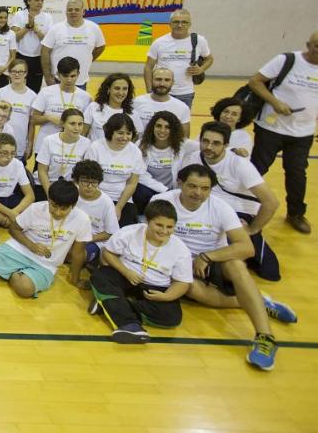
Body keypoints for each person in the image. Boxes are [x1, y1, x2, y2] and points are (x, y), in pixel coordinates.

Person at [150, 165, 297, 371]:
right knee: (189, 288)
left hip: (212, 261)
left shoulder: (221, 207)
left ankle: (265, 338)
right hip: (178, 265)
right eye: (192, 186)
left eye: (205, 188)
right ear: (180, 183)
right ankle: (256, 301)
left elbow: (246, 248)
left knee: (236, 265)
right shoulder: (162, 202)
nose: (198, 193)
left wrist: (207, 256)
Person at [181, 122, 280, 281]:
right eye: (205, 141)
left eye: (216, 143)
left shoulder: (239, 164)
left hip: (239, 211)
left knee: (269, 271)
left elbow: (271, 202)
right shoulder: (193, 158)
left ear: (226, 145)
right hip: (205, 206)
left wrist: (253, 229)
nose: (209, 147)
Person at [89, 200, 192, 343]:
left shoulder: (181, 250)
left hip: (156, 286)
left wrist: (166, 297)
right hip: (125, 275)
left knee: (171, 318)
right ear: (147, 221)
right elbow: (108, 253)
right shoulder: (129, 232)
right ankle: (129, 326)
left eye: (170, 227)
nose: (164, 231)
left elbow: (182, 283)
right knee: (101, 276)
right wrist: (125, 271)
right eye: (159, 225)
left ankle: (109, 304)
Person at [249, 31, 318, 235]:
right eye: (316, 45)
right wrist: (275, 102)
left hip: (303, 133)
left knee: (297, 173)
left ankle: (295, 214)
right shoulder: (287, 60)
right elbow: (255, 81)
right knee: (257, 169)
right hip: (271, 128)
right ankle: (243, 205)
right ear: (308, 44)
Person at [0, 179, 91, 297]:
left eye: (64, 209)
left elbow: (78, 253)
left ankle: (14, 271)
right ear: (49, 200)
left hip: (47, 263)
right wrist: (31, 245)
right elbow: (13, 229)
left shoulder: (82, 219)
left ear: (73, 206)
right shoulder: (35, 209)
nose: (57, 212)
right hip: (21, 249)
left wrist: (75, 279)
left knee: (24, 289)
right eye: (53, 206)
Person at [83, 113, 146, 226]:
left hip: (122, 199)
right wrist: (99, 202)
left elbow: (132, 183)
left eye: (129, 133)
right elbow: (89, 179)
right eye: (120, 133)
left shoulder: (135, 151)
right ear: (110, 132)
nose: (125, 137)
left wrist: (118, 207)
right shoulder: (96, 147)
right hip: (96, 195)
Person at [144, 8, 213, 107]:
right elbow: (148, 67)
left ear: (190, 24)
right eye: (176, 22)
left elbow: (209, 59)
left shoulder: (199, 40)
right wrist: (149, 89)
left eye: (184, 22)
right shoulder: (159, 42)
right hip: (162, 91)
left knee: (181, 122)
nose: (180, 25)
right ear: (170, 24)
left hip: (186, 93)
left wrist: (201, 69)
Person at [29, 56, 91, 159]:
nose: (69, 80)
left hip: (72, 150)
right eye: (65, 76)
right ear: (58, 75)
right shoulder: (46, 92)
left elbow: (85, 127)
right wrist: (48, 117)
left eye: (73, 76)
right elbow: (33, 119)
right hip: (45, 148)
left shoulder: (85, 97)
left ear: (78, 74)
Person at [134, 111, 197, 212]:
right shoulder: (141, 144)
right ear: (152, 127)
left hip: (173, 191)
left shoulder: (183, 144)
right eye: (158, 126)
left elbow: (203, 146)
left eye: (168, 127)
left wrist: (230, 150)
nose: (162, 130)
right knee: (139, 191)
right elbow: (140, 174)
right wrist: (164, 190)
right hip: (151, 190)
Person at [41, 0, 105, 90]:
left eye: (77, 9)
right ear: (66, 12)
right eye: (70, 10)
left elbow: (101, 47)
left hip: (80, 81)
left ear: (83, 12)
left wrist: (89, 59)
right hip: (58, 80)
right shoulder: (56, 28)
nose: (73, 12)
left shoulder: (94, 28)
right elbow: (45, 51)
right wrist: (47, 76)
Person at [70, 159, 120, 265]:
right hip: (70, 235)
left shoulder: (106, 202)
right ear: (77, 180)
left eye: (94, 182)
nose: (89, 186)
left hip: (94, 241)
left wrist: (85, 239)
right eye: (84, 181)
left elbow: (110, 233)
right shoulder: (71, 195)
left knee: (76, 256)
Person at [0, 133, 35, 227]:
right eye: (4, 153)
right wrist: (10, 214)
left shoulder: (18, 164)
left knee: (34, 207)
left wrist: (14, 212)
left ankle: (6, 220)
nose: (9, 157)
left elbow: (30, 196)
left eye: (13, 153)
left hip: (10, 199)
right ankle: (8, 221)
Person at [35, 108, 91, 197]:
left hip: (71, 189)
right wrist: (50, 195)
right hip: (47, 186)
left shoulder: (87, 143)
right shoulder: (49, 140)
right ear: (62, 123)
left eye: (80, 124)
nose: (77, 128)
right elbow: (42, 171)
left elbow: (85, 174)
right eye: (72, 124)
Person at [0, 58, 38, 159]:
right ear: (9, 73)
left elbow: (31, 123)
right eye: (14, 71)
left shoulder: (33, 96)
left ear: (26, 73)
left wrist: (29, 145)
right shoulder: (1, 93)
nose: (17, 74)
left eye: (21, 72)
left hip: (20, 145)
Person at [9, 0, 54, 92]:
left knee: (34, 89)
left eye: (42, 0)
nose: (40, 3)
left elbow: (48, 40)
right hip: (21, 56)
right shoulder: (19, 15)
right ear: (29, 1)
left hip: (39, 58)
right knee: (16, 86)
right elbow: (14, 37)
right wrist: (28, 27)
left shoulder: (48, 17)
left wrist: (35, 30)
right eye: (37, 0)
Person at [84, 73, 143, 143]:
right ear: (108, 89)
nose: (121, 93)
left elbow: (136, 137)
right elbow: (83, 134)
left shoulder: (132, 113)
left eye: (125, 89)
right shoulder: (93, 107)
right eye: (117, 88)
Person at [132, 67, 191, 137]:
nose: (162, 84)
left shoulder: (182, 107)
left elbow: (184, 139)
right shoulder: (136, 102)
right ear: (151, 80)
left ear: (173, 83)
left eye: (167, 80)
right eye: (158, 79)